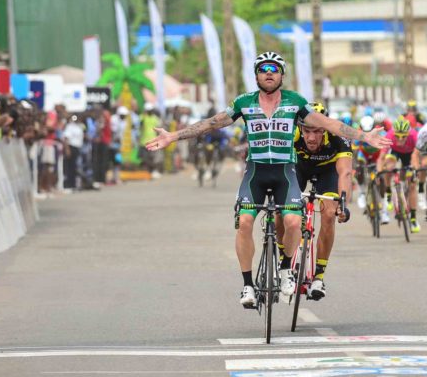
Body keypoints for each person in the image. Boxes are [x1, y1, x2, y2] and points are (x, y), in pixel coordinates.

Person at [144, 51, 389, 308]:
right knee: (245, 222)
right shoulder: (244, 102)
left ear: (282, 75)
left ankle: (285, 270)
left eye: (274, 69)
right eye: (263, 69)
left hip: (285, 171)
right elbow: (211, 124)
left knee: (294, 221)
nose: (269, 73)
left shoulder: (296, 103)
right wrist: (174, 136)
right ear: (256, 75)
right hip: (256, 172)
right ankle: (248, 285)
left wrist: (365, 136)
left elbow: (329, 124)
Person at [292, 102, 352, 300]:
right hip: (298, 167)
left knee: (328, 213)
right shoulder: (291, 132)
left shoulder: (338, 134)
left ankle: (318, 276)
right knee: (283, 209)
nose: (311, 137)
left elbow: (345, 172)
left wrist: (343, 205)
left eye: (317, 131)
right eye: (307, 131)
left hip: (327, 171)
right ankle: (283, 265)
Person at [376, 117, 419, 231]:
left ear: (408, 133)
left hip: (410, 154)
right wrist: (380, 172)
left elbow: (417, 156)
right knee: (389, 166)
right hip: (395, 153)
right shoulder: (389, 136)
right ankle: (388, 192)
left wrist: (415, 170)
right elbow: (381, 157)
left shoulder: (414, 135)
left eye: (403, 136)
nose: (400, 139)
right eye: (397, 136)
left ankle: (413, 218)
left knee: (412, 184)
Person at [139, 103, 163, 178]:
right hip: (144, 141)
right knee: (145, 158)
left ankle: (153, 171)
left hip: (153, 140)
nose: (149, 111)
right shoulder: (142, 117)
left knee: (153, 158)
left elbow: (159, 128)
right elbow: (140, 126)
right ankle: (149, 171)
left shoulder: (155, 118)